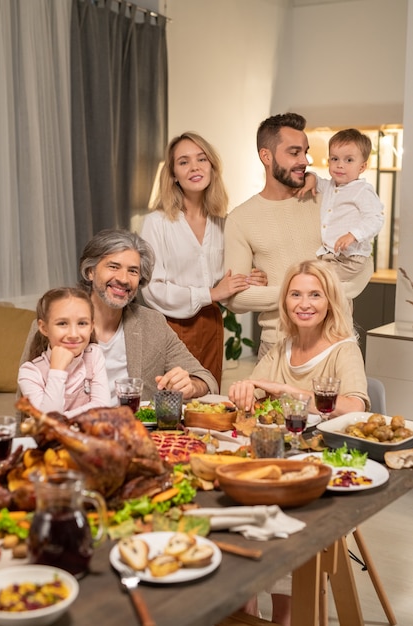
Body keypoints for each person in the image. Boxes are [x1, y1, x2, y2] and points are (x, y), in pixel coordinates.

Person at [228, 259, 370, 626]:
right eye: (295, 294)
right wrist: (246, 389)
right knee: (235, 506)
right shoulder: (281, 347)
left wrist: (290, 392)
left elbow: (355, 407)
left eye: (315, 294)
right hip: (275, 462)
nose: (304, 303)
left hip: (323, 470)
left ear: (329, 301)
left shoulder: (343, 349)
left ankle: (283, 616)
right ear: (285, 301)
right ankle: (244, 606)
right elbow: (258, 394)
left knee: (278, 519)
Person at [224, 113, 374, 360]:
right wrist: (304, 293)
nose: (305, 160)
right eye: (294, 153)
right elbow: (236, 298)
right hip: (277, 348)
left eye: (305, 152)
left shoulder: (328, 199)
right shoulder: (241, 219)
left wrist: (291, 291)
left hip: (337, 345)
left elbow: (364, 266)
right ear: (266, 156)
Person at [21, 230, 218, 404]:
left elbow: (206, 379)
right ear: (90, 271)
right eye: (113, 267)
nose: (123, 279)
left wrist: (191, 385)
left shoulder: (153, 323)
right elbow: (26, 404)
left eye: (133, 271)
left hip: (135, 434)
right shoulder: (55, 325)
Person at [141, 131, 266, 388]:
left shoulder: (225, 223)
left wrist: (250, 278)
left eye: (202, 159)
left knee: (207, 398)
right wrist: (209, 293)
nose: (195, 167)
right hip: (169, 327)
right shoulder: (156, 223)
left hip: (211, 324)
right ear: (173, 174)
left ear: (212, 167)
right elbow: (152, 288)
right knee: (169, 400)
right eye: (184, 161)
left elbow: (227, 279)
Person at [297, 128, 384, 283]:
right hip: (330, 255)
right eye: (334, 159)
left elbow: (375, 219)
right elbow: (316, 179)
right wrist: (310, 177)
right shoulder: (330, 186)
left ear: (362, 167)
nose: (340, 165)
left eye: (349, 160)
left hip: (350, 258)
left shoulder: (362, 190)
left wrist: (353, 235)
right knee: (321, 284)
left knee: (316, 281)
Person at [18, 287, 111, 418]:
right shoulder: (30, 372)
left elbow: (103, 407)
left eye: (82, 323)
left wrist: (63, 419)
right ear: (44, 328)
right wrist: (57, 371)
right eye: (62, 323)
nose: (73, 334)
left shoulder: (94, 355)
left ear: (91, 326)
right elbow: (48, 424)